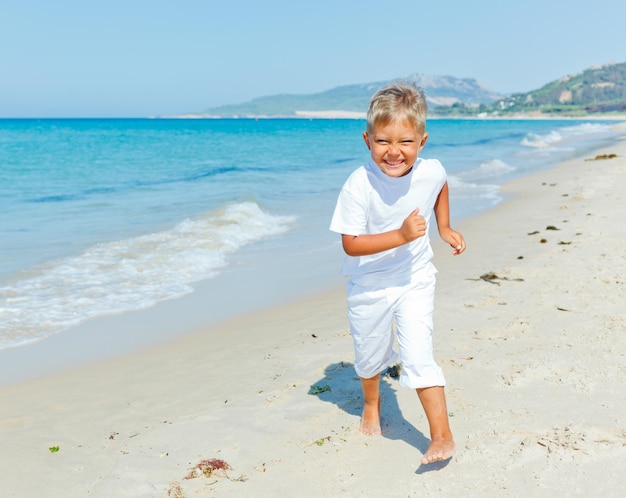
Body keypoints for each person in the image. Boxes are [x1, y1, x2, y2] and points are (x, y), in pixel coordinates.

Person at [329, 81, 466, 465]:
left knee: (419, 353)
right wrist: (400, 234)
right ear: (367, 139)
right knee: (370, 354)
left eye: (405, 142)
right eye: (383, 141)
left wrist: (445, 227)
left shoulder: (430, 169)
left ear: (422, 142)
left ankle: (442, 437)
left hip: (414, 277)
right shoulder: (359, 185)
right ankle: (371, 404)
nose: (394, 152)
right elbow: (351, 244)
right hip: (369, 283)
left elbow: (440, 185)